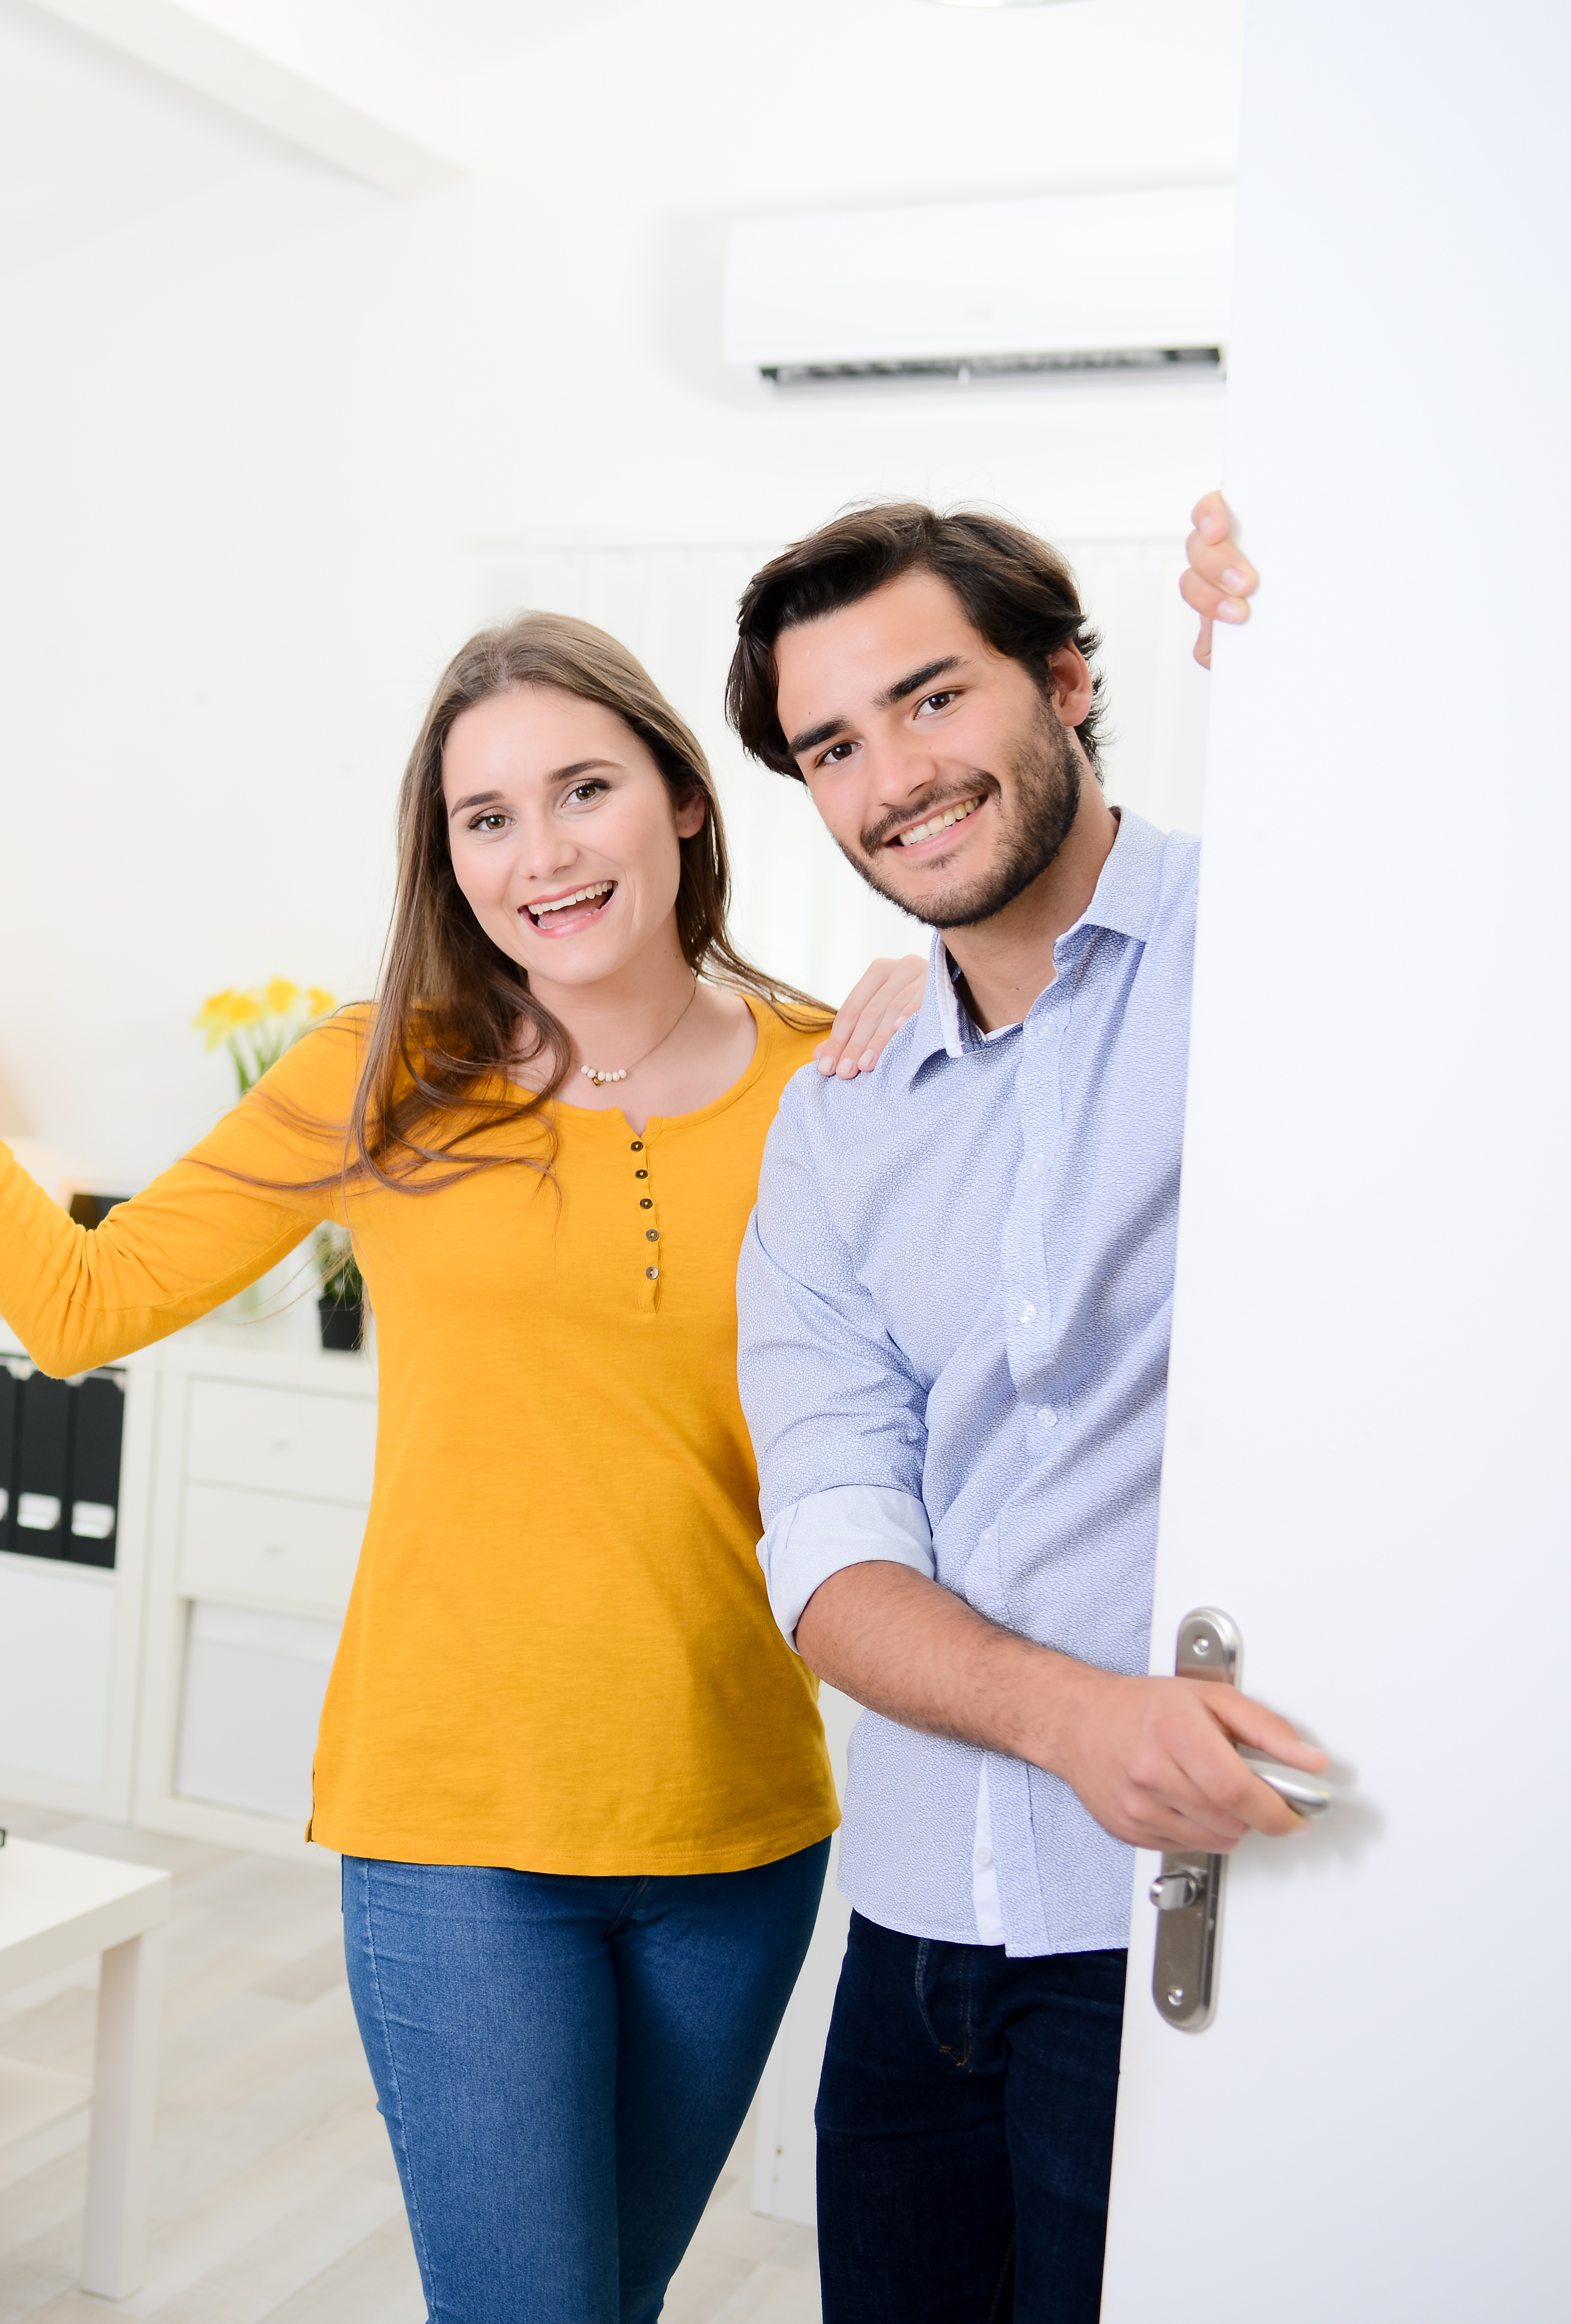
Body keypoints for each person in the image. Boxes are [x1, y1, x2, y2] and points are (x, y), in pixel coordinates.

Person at [0, 611, 929, 2324]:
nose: (543, 855)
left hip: (740, 1828)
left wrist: (962, 984)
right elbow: (80, 1301)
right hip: (457, 1823)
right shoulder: (380, 1069)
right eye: (486, 819)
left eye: (583, 792)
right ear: (447, 856)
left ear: (685, 804)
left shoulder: (835, 1075)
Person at [724, 495, 1320, 2324]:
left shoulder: (1294, 956)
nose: (892, 778)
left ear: (1067, 681)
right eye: (834, 746)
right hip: (909, 1936)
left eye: (931, 700)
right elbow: (827, 1537)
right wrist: (1072, 1719)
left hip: (1188, 1923)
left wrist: (1320, 639)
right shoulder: (843, 1109)